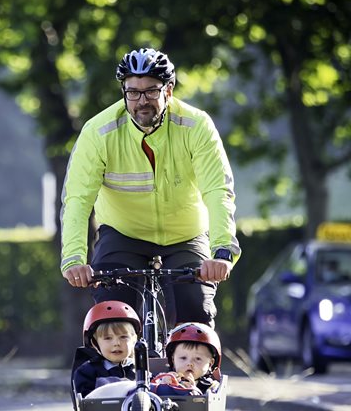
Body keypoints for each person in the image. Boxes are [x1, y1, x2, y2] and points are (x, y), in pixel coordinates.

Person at [59, 47, 241, 327]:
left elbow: (218, 191)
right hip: (122, 235)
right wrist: (73, 258)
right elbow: (77, 199)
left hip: (186, 235)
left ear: (169, 90)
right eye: (133, 92)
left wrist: (222, 252)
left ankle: (194, 372)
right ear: (123, 92)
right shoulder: (98, 132)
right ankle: (112, 371)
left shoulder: (196, 126)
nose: (142, 101)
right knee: (111, 318)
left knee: (194, 316)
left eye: (151, 91)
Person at [71, 301, 140, 410]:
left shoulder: (141, 369)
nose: (116, 343)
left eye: (123, 337)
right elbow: (85, 408)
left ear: (134, 340)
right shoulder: (87, 372)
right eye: (108, 338)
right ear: (95, 343)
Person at [151, 322, 221, 396]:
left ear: (210, 363)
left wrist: (194, 392)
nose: (189, 363)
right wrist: (163, 387)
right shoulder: (162, 378)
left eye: (198, 359)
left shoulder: (211, 387)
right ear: (173, 360)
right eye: (183, 358)